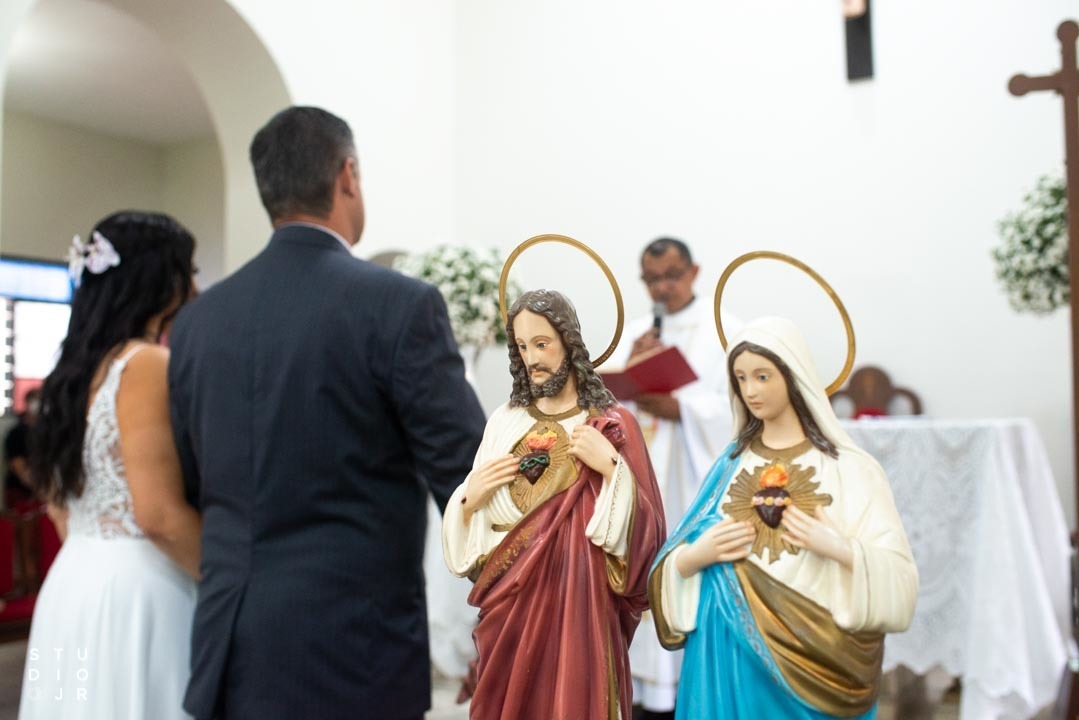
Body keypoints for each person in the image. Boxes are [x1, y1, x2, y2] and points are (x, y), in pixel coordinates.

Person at [167, 106, 486, 720]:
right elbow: (471, 483)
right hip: (354, 648)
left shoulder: (199, 321)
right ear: (348, 175)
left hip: (229, 642)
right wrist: (503, 617)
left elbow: (192, 480)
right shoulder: (399, 304)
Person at [649, 316, 918, 720]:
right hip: (727, 655)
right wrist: (692, 558)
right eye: (741, 378)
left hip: (821, 657)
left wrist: (841, 550)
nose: (751, 390)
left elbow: (900, 577)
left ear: (794, 377)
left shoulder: (850, 468)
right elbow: (675, 559)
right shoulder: (730, 466)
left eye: (763, 376)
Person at [443, 288, 666, 720]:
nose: (532, 358)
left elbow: (650, 529)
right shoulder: (505, 420)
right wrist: (469, 501)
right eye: (522, 347)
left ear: (569, 341)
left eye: (542, 344)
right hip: (510, 604)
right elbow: (478, 516)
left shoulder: (610, 423)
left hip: (582, 606)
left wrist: (612, 468)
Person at [20, 211, 202, 719]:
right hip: (142, 590)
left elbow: (59, 506)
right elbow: (159, 516)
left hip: (73, 580)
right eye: (188, 271)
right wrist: (232, 580)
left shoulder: (70, 373)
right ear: (161, 280)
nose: (195, 287)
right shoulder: (144, 364)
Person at [606, 237, 739, 718]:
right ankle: (645, 694)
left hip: (692, 480)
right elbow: (606, 400)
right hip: (643, 478)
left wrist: (682, 409)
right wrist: (630, 369)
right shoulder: (636, 332)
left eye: (671, 276)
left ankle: (688, 691)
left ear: (694, 272)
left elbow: (739, 406)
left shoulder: (724, 331)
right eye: (652, 279)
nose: (661, 287)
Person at [5, 387, 43, 592]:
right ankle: (25, 586)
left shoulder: (46, 431)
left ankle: (38, 583)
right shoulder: (16, 433)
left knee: (40, 543)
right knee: (23, 544)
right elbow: (18, 466)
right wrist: (37, 487)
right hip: (21, 495)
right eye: (34, 401)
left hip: (43, 497)